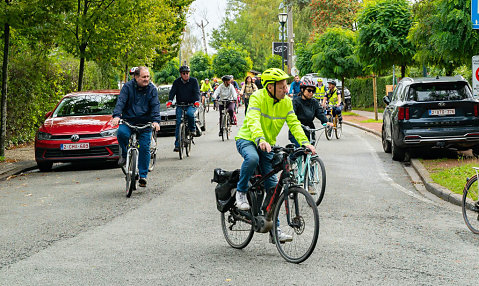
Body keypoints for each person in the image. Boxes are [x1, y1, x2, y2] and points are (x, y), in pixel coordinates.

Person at [234, 68, 316, 243]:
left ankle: (275, 230)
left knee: (273, 187)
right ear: (270, 87)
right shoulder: (258, 97)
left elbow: (294, 123)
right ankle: (240, 192)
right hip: (248, 139)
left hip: (267, 145)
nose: (286, 90)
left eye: (286, 86)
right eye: (282, 87)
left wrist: (305, 142)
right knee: (253, 158)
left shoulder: (286, 102)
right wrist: (260, 138)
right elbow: (253, 119)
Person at [112, 66, 161, 187]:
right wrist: (117, 116)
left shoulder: (152, 89)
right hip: (129, 121)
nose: (146, 79)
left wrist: (156, 121)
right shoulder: (127, 87)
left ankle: (143, 176)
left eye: (148, 77)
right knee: (122, 134)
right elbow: (121, 102)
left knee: (144, 147)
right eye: (144, 77)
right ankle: (124, 154)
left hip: (145, 124)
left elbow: (155, 105)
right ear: (136, 77)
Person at [289, 78, 333, 147]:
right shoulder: (296, 102)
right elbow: (292, 116)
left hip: (309, 131)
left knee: (310, 151)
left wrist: (326, 121)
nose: (311, 93)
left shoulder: (314, 102)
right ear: (302, 89)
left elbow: (319, 113)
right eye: (309, 90)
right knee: (300, 150)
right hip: (297, 131)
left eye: (313, 91)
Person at [167, 65, 201, 152]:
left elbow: (197, 92)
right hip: (180, 105)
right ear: (181, 74)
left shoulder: (194, 81)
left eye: (187, 73)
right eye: (184, 73)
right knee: (178, 123)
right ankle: (177, 145)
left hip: (191, 104)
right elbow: (172, 92)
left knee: (190, 114)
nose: (186, 75)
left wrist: (196, 101)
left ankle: (192, 129)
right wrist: (170, 101)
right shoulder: (176, 82)